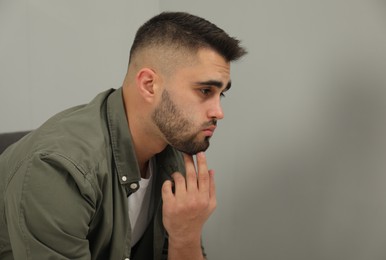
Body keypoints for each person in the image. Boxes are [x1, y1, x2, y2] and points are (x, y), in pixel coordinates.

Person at [0, 11, 246, 260]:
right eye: (205, 90)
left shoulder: (173, 157)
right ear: (149, 84)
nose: (219, 112)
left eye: (221, 94)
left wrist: (186, 237)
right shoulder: (58, 169)